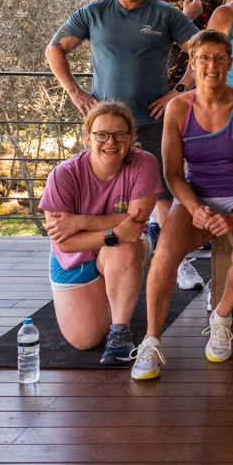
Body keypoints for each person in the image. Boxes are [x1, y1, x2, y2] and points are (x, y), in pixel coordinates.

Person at [130, 30, 233, 380]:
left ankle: (221, 316)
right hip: (194, 198)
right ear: (192, 63)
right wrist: (194, 209)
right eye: (204, 58)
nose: (212, 65)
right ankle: (150, 341)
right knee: (163, 256)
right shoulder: (178, 108)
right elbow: (173, 174)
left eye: (219, 58)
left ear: (230, 62)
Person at [45, 0, 199, 232]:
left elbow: (201, 51)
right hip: (104, 128)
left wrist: (179, 90)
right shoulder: (93, 13)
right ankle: (102, 257)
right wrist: (75, 92)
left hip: (153, 122)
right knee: (99, 193)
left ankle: (172, 264)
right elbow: (54, 49)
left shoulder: (166, 14)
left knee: (164, 195)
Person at [38, 102, 162, 365]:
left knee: (125, 246)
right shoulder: (62, 176)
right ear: (88, 136)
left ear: (130, 137)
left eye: (119, 134)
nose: (111, 142)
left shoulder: (144, 163)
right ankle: (112, 294)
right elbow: (66, 244)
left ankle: (120, 332)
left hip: (123, 247)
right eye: (101, 134)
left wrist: (79, 221)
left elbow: (135, 223)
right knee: (85, 340)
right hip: (75, 257)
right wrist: (112, 231)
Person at [152, 0, 233, 292]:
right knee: (166, 180)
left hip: (202, 94)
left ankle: (202, 233)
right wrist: (187, 20)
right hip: (161, 96)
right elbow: (152, 42)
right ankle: (180, 259)